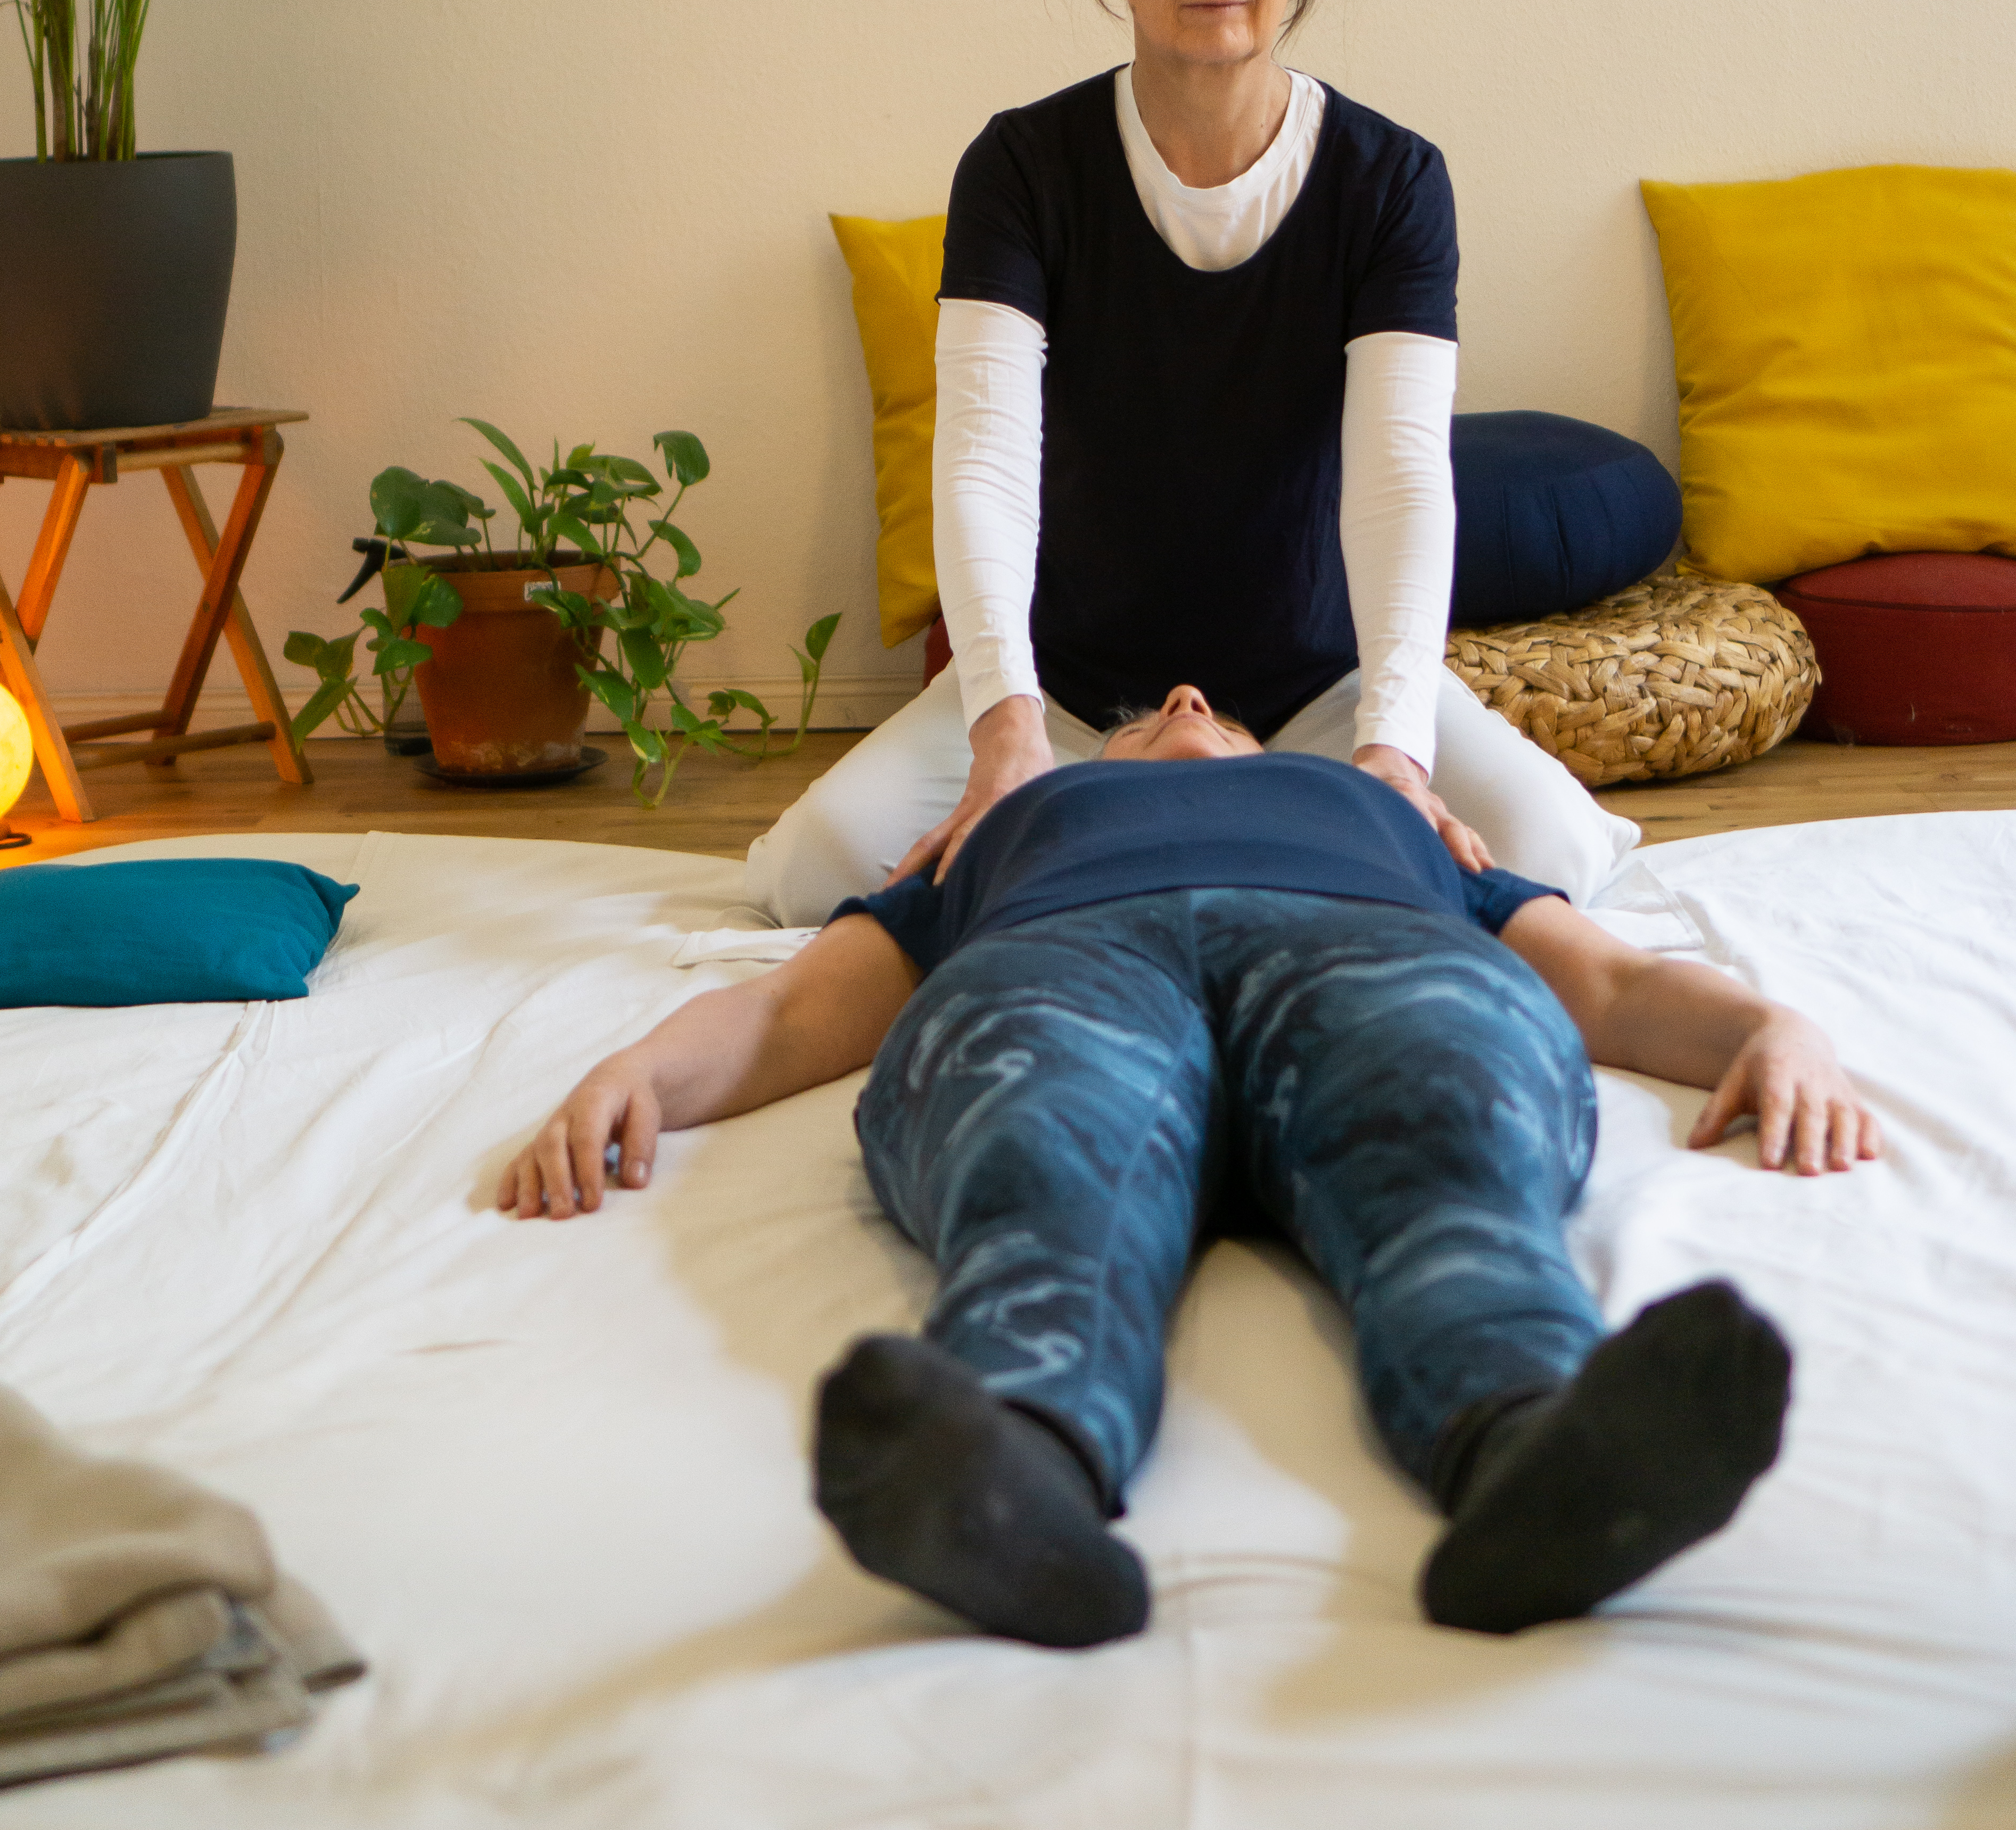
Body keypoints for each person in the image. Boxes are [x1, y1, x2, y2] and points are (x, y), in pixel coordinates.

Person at [501, 682, 1878, 1646]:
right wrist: (640, 1073)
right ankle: (1015, 1480)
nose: (1180, 694)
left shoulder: (1397, 814)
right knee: (1042, 1162)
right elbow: (795, 1010)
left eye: (1214, 705)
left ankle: (1541, 1461)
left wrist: (1774, 1024)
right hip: (1066, 955)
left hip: (1374, 949)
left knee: (1448, 1137)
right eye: (1141, 711)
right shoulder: (1000, 826)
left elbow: (1620, 985)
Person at [752, 0, 1638, 932]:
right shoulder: (1021, 168)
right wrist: (1007, 725)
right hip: (1071, 694)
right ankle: (1210, 835)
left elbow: (1396, 482)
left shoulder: (1390, 180)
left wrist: (1391, 750)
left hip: (1315, 684)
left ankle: (1201, 838)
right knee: (816, 866)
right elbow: (982, 465)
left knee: (1546, 849)